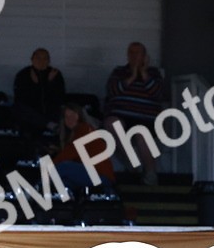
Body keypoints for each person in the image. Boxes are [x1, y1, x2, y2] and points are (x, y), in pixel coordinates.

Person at [103, 42, 165, 185]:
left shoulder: (154, 73)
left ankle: (150, 174)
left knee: (141, 134)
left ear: (144, 56)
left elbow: (157, 93)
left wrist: (143, 73)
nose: (134, 55)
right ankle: (132, 163)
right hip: (121, 115)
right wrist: (132, 75)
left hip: (146, 118)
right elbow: (113, 90)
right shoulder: (119, 72)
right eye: (131, 52)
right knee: (112, 123)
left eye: (138, 53)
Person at [52, 102, 115, 195]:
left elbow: (69, 154)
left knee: (63, 167)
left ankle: (35, 190)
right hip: (91, 175)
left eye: (73, 115)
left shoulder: (84, 129)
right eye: (66, 117)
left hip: (101, 176)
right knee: (63, 181)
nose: (70, 119)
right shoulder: (75, 134)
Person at [12, 48, 66, 135]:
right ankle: (48, 124)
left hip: (50, 110)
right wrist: (35, 86)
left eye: (45, 58)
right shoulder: (23, 74)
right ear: (32, 59)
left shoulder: (54, 74)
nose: (41, 61)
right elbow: (21, 98)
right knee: (18, 108)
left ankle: (50, 124)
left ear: (49, 61)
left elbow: (59, 97)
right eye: (38, 58)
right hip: (31, 113)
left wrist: (49, 83)